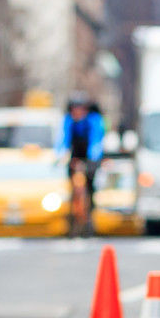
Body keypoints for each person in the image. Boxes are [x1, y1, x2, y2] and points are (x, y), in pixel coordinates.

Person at [56, 94, 104, 229]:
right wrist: (59, 155)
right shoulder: (68, 120)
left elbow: (96, 140)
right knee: (72, 186)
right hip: (75, 155)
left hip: (89, 155)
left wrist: (93, 158)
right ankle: (72, 215)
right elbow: (63, 139)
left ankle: (90, 214)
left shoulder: (93, 120)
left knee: (90, 184)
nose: (77, 113)